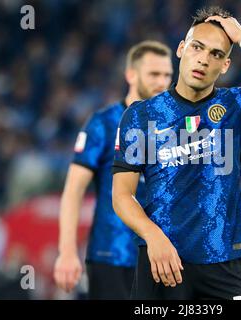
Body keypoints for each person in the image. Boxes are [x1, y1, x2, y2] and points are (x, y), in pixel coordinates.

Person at [112, 6, 241, 299]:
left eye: (216, 54)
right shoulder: (142, 116)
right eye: (197, 47)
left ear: (225, 65)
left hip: (224, 265)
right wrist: (153, 236)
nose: (203, 58)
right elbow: (122, 195)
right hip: (164, 263)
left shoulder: (235, 106)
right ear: (181, 49)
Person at [53, 40, 173, 299]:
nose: (162, 82)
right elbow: (74, 190)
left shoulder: (174, 127)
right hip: (111, 256)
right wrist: (67, 251)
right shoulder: (104, 124)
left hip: (163, 259)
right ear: (131, 74)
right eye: (154, 74)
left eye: (167, 75)